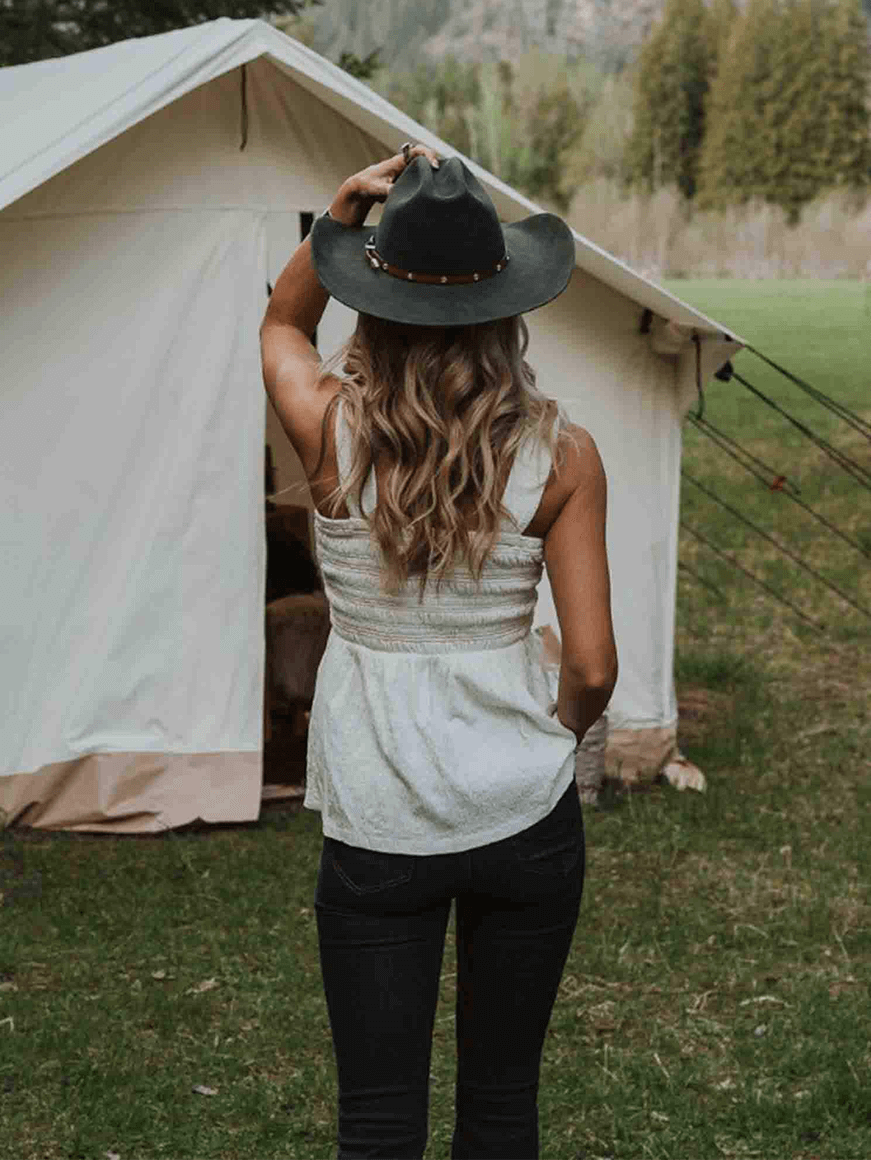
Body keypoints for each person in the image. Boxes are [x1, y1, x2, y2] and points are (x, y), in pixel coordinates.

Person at [260, 144, 618, 1159]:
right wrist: (548, 740)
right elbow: (593, 668)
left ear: (375, 303)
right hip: (525, 816)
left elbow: (282, 326)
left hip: (379, 821)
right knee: (501, 1108)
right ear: (506, 308)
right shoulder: (566, 455)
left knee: (378, 1122)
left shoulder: (326, 431)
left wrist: (336, 224)